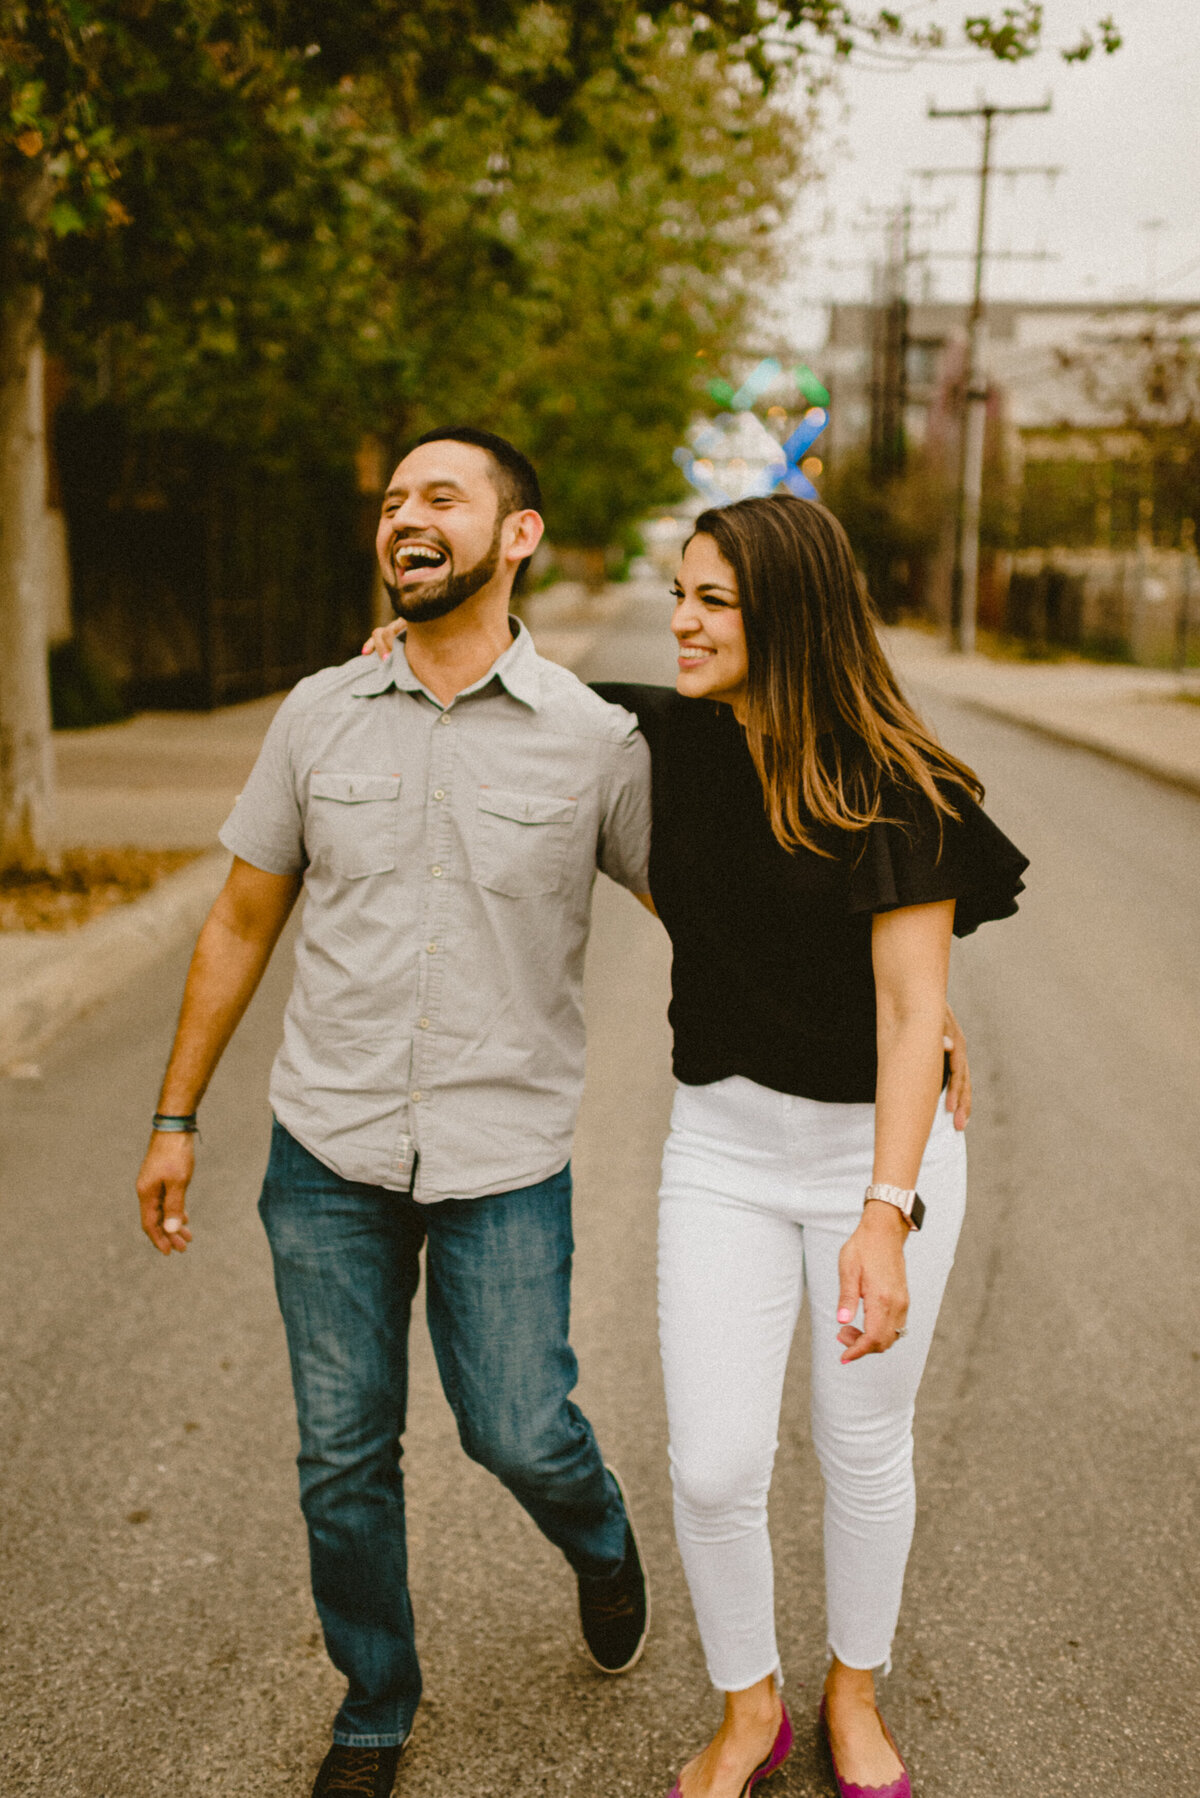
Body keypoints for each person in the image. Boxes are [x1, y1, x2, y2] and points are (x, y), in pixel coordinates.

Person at [133, 427, 657, 1798]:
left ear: (518, 533)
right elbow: (242, 921)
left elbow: (714, 921)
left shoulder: (598, 743)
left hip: (503, 1154)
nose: (404, 517)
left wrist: (902, 1001)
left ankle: (600, 1534)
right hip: (329, 1147)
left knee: (518, 1428)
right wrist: (176, 1112)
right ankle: (375, 1697)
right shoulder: (318, 713)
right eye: (390, 501)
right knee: (342, 1451)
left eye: (441, 495)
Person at [585, 494, 1028, 1798]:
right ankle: (747, 1708)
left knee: (858, 1439)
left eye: (712, 600)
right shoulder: (666, 743)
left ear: (790, 613)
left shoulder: (897, 784)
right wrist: (407, 655)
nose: (680, 619)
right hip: (719, 1147)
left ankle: (852, 1693)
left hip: (874, 1162)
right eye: (679, 591)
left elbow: (908, 1012)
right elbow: (530, 700)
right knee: (715, 1456)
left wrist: (884, 1213)